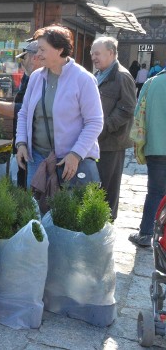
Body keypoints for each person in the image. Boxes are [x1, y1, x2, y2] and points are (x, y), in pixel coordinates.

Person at [15, 24, 103, 188]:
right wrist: (21, 143)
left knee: (66, 212)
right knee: (37, 210)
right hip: (37, 159)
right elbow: (24, 113)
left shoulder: (83, 79)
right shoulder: (36, 77)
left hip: (68, 161)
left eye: (42, 50)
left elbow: (94, 122)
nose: (37, 55)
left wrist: (76, 154)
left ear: (59, 49)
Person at [0, 39, 42, 188]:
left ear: (34, 57)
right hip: (23, 144)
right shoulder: (29, 77)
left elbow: (24, 110)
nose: (22, 62)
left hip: (34, 146)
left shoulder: (41, 80)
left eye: (24, 57)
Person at [91, 36, 136, 220]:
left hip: (111, 142)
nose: (93, 57)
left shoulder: (122, 76)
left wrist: (106, 126)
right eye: (92, 53)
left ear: (111, 53)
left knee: (108, 188)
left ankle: (107, 223)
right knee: (96, 184)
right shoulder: (97, 75)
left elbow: (127, 108)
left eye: (97, 53)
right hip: (96, 141)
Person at [129, 67, 166, 247]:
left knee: (155, 193)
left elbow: (138, 116)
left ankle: (146, 234)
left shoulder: (152, 84)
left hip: (157, 147)